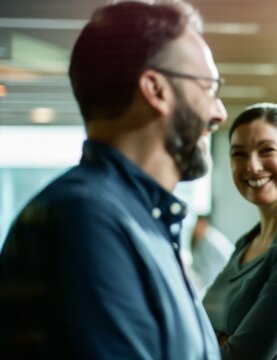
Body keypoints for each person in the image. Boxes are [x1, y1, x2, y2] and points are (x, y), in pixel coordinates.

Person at [0, 1, 227, 359]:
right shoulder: (84, 220)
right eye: (209, 88)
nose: (219, 112)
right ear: (155, 89)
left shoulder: (137, 220)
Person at [203, 103, 277, 359]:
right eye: (239, 154)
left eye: (266, 150)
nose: (252, 166)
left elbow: (244, 355)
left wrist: (216, 339)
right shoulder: (248, 242)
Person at [190, 214, 234, 292]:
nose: (194, 229)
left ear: (202, 223)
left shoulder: (211, 240)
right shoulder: (202, 239)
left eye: (196, 225)